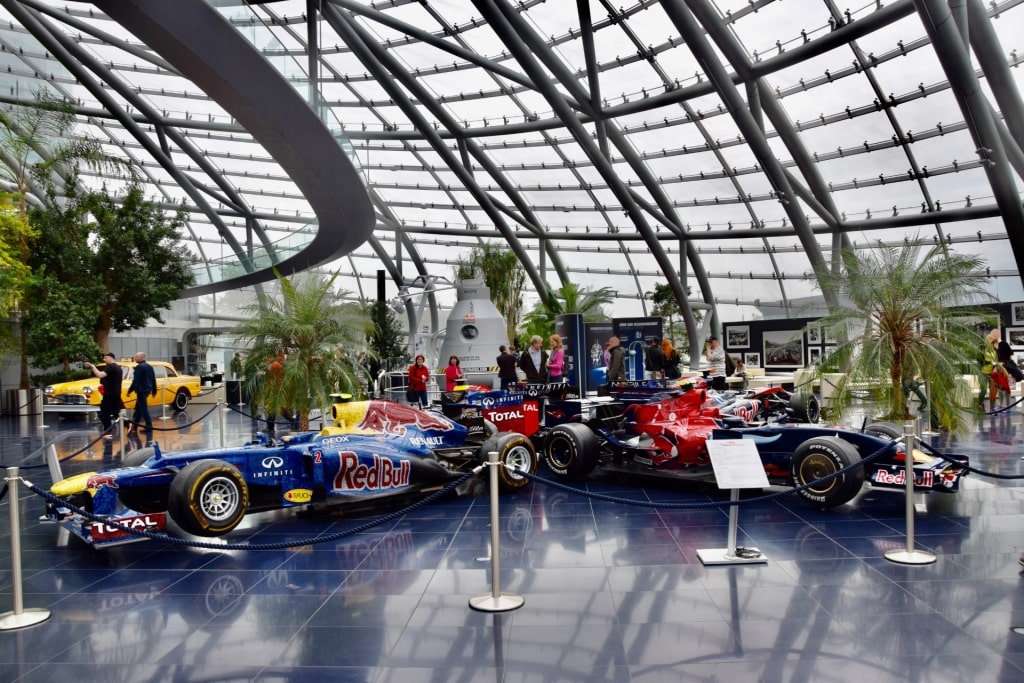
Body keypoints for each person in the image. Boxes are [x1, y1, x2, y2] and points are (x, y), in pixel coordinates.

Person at [86, 352, 123, 440]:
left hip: (109, 393)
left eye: (106, 358)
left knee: (105, 412)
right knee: (116, 413)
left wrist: (93, 367)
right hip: (116, 393)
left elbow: (100, 375)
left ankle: (108, 431)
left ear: (111, 358)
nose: (104, 359)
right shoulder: (119, 368)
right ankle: (128, 423)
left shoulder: (110, 367)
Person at [126, 351, 157, 433]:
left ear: (141, 357)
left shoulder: (140, 367)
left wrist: (130, 390)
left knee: (143, 408)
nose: (134, 358)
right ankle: (135, 425)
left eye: (136, 357)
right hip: (147, 389)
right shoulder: (149, 367)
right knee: (138, 408)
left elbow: (136, 380)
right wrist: (154, 389)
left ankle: (149, 426)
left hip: (141, 390)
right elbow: (153, 379)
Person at [985, 328, 1013, 409]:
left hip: (1004, 367)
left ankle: (1008, 406)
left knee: (1006, 387)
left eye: (997, 334)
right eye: (994, 334)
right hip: (994, 369)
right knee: (997, 387)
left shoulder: (1004, 344)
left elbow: (1010, 356)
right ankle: (999, 405)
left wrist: (1011, 368)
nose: (995, 335)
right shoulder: (990, 346)